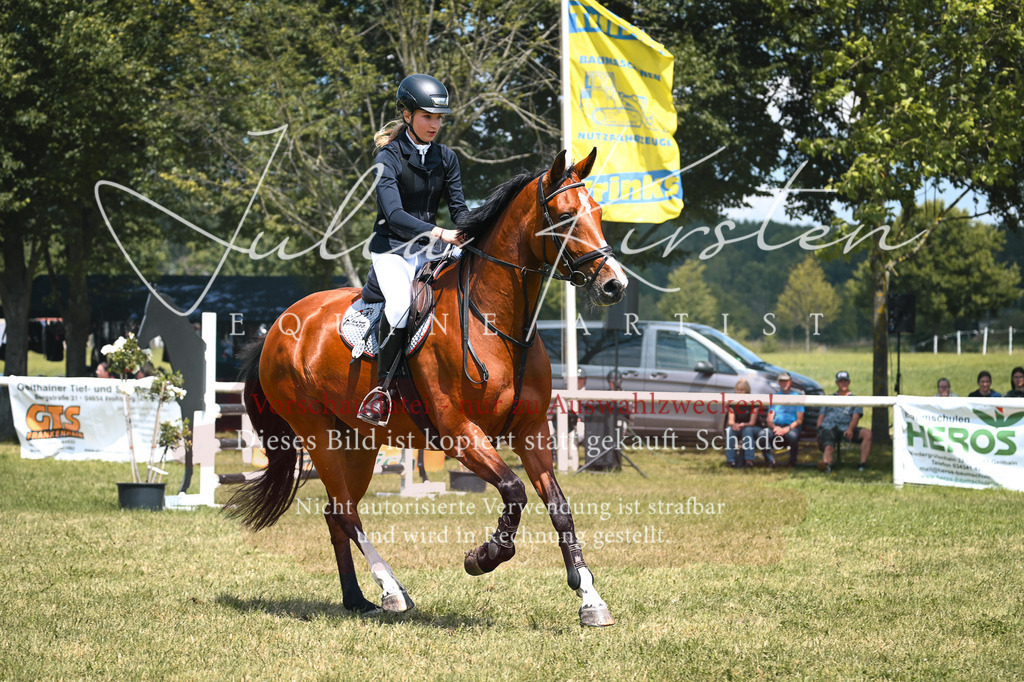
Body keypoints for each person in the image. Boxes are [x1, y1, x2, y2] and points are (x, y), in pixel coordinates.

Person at [357, 74, 469, 426]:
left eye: (439, 118)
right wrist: (439, 232)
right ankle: (382, 391)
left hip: (433, 249)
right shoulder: (388, 158)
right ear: (407, 115)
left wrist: (479, 226)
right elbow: (394, 215)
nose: (435, 124)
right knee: (402, 307)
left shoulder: (447, 157)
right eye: (427, 117)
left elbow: (460, 210)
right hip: (392, 249)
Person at [816, 371, 872, 473]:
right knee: (829, 446)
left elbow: (856, 417)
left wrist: (850, 429)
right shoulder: (829, 398)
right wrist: (820, 430)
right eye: (841, 381)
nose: (843, 384)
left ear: (849, 382)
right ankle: (827, 466)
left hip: (846, 428)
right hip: (829, 427)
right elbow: (821, 416)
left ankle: (862, 464)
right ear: (837, 383)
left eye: (845, 381)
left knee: (867, 434)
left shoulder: (855, 399)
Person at [763, 372, 802, 466]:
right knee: (762, 435)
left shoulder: (797, 397)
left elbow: (799, 420)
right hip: (776, 426)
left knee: (793, 436)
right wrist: (774, 427)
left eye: (786, 381)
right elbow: (769, 419)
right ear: (779, 383)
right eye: (781, 381)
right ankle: (771, 461)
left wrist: (787, 428)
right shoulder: (775, 398)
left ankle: (792, 462)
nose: (784, 383)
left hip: (791, 427)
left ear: (790, 382)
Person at [724, 378, 761, 468]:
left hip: (752, 427)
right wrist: (734, 425)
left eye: (742, 390)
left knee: (747, 431)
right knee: (729, 430)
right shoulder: (732, 403)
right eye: (738, 390)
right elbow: (731, 420)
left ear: (747, 391)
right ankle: (731, 460)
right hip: (738, 427)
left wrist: (743, 424)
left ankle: (749, 461)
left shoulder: (753, 402)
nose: (739, 392)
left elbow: (752, 422)